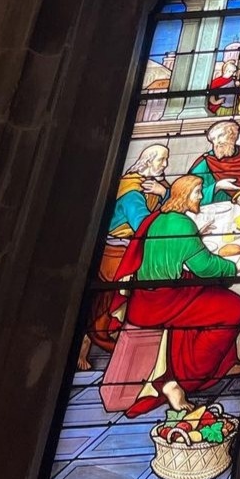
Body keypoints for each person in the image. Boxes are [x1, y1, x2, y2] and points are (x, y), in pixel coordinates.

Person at [115, 175, 240, 418]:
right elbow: (206, 268)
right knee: (236, 309)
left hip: (149, 295)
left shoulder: (160, 218)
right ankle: (182, 380)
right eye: (197, 192)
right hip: (164, 301)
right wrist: (234, 266)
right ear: (184, 196)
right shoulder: (183, 226)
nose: (200, 196)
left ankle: (225, 364)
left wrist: (197, 238)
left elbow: (175, 253)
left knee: (217, 296)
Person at [78, 144, 171, 368]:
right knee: (109, 299)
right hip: (115, 251)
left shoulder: (150, 184)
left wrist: (164, 192)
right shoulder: (132, 193)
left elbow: (168, 200)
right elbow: (143, 225)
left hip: (131, 245)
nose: (165, 165)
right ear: (147, 162)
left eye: (166, 160)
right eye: (161, 160)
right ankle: (90, 342)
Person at [187, 119, 240, 203]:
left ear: (233, 135)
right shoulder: (205, 162)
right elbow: (188, 196)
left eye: (221, 135)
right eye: (213, 139)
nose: (217, 142)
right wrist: (217, 186)